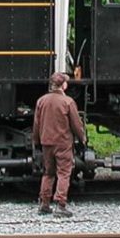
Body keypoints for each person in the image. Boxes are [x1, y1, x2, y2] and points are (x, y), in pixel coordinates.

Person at [32, 71, 87, 217]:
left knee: (48, 173)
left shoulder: (41, 101)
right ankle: (60, 205)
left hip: (46, 142)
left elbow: (36, 124)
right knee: (64, 173)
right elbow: (76, 124)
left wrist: (37, 141)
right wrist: (82, 138)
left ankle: (44, 204)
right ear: (63, 85)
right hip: (62, 143)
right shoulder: (68, 102)